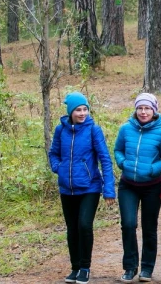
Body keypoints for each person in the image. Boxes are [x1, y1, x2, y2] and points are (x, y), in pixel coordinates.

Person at [48, 92, 116, 284]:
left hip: (90, 187)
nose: (82, 113)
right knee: (72, 229)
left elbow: (105, 160)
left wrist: (108, 189)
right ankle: (75, 267)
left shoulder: (94, 130)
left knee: (84, 225)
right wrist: (59, 168)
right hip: (67, 188)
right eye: (78, 110)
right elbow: (53, 153)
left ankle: (85, 267)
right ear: (70, 111)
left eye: (85, 109)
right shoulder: (60, 131)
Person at [114, 93, 161, 283]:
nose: (143, 112)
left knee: (149, 227)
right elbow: (118, 150)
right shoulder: (125, 129)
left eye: (147, 108)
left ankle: (146, 268)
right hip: (128, 185)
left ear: (154, 110)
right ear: (135, 110)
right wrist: (123, 163)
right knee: (128, 225)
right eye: (140, 108)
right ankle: (130, 267)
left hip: (152, 186)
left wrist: (154, 169)